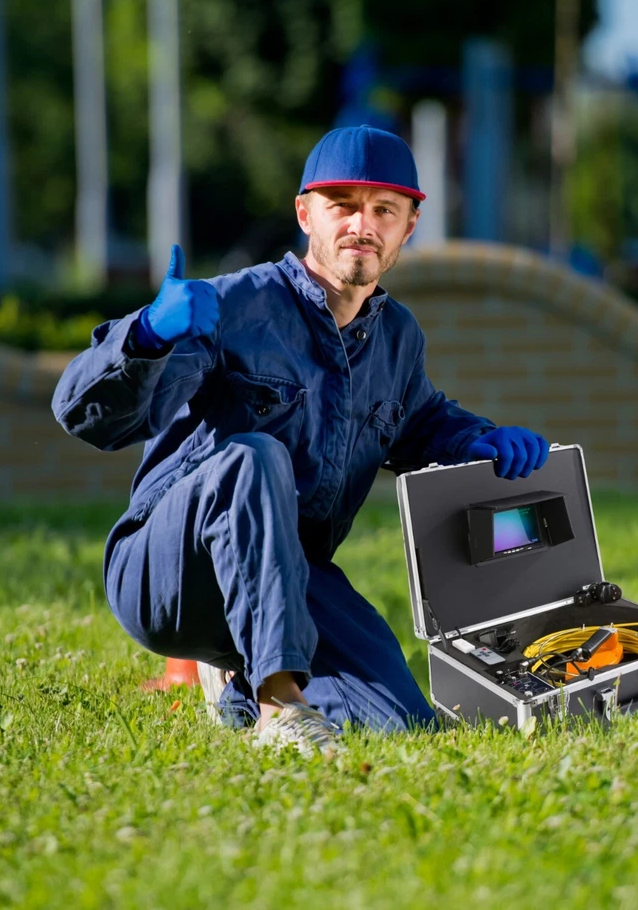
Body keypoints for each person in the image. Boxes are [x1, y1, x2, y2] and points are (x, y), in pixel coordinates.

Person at [51, 125, 550, 755]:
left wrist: (481, 440)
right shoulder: (233, 307)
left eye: (383, 209)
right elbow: (89, 415)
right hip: (168, 570)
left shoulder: (395, 337)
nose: (360, 225)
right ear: (305, 213)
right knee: (256, 457)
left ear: (409, 225)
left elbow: (419, 423)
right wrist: (148, 334)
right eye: (342, 205)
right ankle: (279, 706)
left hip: (291, 579)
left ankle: (237, 684)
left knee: (403, 724)